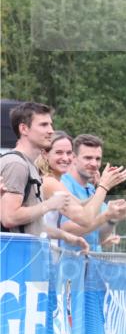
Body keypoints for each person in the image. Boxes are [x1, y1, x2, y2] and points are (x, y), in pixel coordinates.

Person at [0, 102, 80, 245]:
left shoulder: (28, 165)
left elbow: (32, 223)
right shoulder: (16, 164)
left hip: (24, 256)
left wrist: (66, 236)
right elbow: (9, 217)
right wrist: (49, 205)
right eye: (43, 125)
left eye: (50, 124)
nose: (50, 130)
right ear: (24, 129)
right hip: (13, 258)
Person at [58, 134, 126, 251]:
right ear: (73, 158)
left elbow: (98, 238)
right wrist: (104, 188)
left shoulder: (93, 189)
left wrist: (112, 218)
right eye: (88, 158)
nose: (94, 164)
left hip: (93, 263)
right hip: (69, 264)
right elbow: (68, 230)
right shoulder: (62, 184)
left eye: (98, 159)